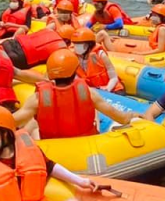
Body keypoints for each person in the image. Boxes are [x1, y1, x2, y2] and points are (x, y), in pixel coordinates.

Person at [9, 50, 137, 139]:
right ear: (74, 71)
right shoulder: (89, 93)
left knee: (33, 124)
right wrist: (135, 116)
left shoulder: (37, 99)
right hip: (86, 144)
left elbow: (12, 122)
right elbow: (121, 118)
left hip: (53, 148)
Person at [63, 26, 120, 92]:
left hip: (112, 89)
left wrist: (108, 88)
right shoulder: (73, 58)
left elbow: (114, 77)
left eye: (80, 44)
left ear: (89, 44)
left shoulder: (100, 55)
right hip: (92, 91)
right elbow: (76, 79)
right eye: (75, 44)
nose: (77, 47)